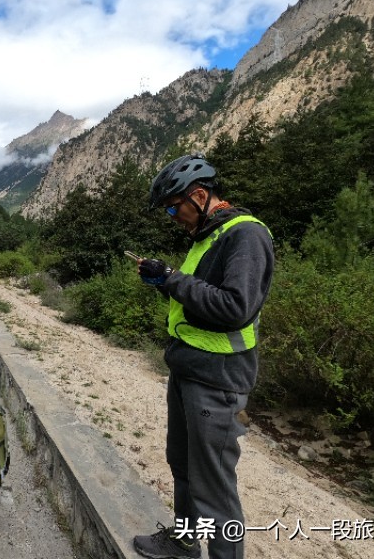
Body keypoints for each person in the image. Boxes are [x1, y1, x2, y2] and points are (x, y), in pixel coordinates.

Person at [132, 154, 275, 559]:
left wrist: (172, 279)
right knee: (183, 466)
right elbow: (197, 299)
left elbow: (235, 307)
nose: (172, 215)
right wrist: (163, 281)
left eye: (174, 207)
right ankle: (183, 541)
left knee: (214, 486)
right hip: (189, 368)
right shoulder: (207, 236)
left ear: (199, 194)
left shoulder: (245, 236)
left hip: (219, 381)